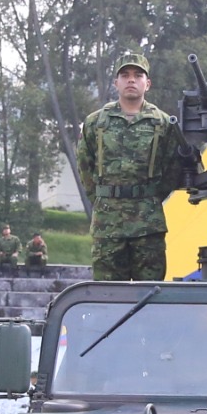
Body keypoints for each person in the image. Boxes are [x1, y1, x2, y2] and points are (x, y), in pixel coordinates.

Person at [78, 50, 184, 282]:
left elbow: (172, 169)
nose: (131, 80)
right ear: (116, 82)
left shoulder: (164, 123)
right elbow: (85, 167)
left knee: (149, 295)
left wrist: (149, 197)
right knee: (107, 296)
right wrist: (102, 199)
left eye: (138, 75)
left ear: (148, 83)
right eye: (125, 75)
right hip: (108, 223)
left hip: (147, 223)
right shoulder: (96, 122)